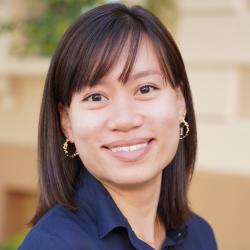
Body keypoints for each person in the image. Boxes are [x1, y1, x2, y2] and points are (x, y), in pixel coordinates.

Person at [19, 3, 217, 250]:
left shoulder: (199, 237)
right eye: (96, 97)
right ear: (66, 121)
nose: (124, 120)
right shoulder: (54, 245)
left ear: (180, 102)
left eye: (146, 89)